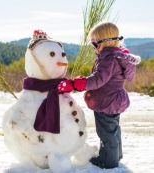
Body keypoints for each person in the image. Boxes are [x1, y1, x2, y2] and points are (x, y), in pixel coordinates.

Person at [58, 21, 141, 169]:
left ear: (105, 42)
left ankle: (108, 161)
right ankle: (115, 155)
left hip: (107, 101)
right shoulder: (117, 56)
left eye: (95, 44)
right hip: (114, 99)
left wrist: (77, 84)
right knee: (113, 129)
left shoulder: (108, 59)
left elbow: (98, 80)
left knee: (106, 132)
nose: (94, 47)